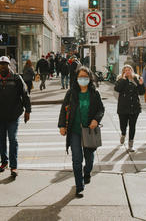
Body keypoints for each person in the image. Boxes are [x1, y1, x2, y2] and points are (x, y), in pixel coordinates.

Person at [58, 66, 105, 198]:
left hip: (89, 131)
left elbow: (101, 109)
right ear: (76, 78)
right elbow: (63, 109)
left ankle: (87, 172)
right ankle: (79, 186)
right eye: (80, 77)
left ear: (90, 78)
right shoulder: (71, 93)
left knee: (89, 158)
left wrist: (96, 119)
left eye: (85, 77)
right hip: (74, 131)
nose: (83, 79)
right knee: (77, 159)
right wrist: (62, 125)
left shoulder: (94, 93)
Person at [114, 65, 145, 152]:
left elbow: (141, 92)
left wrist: (141, 84)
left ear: (132, 71)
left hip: (134, 107)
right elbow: (117, 89)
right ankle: (123, 134)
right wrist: (123, 80)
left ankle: (130, 145)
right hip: (123, 108)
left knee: (132, 126)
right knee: (123, 125)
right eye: (125, 70)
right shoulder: (120, 79)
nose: (127, 71)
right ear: (123, 72)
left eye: (129, 70)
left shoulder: (136, 79)